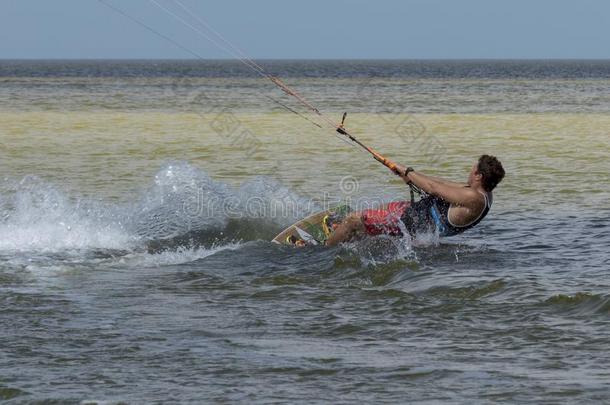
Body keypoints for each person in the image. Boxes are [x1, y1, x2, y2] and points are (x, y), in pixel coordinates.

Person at [325, 154, 505, 246]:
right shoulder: (483, 192)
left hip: (413, 221)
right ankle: (343, 235)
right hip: (416, 212)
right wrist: (406, 172)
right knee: (365, 223)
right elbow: (440, 183)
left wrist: (408, 172)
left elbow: (434, 188)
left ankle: (323, 249)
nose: (469, 170)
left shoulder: (474, 198)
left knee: (353, 220)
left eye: (472, 169)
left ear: (479, 176)